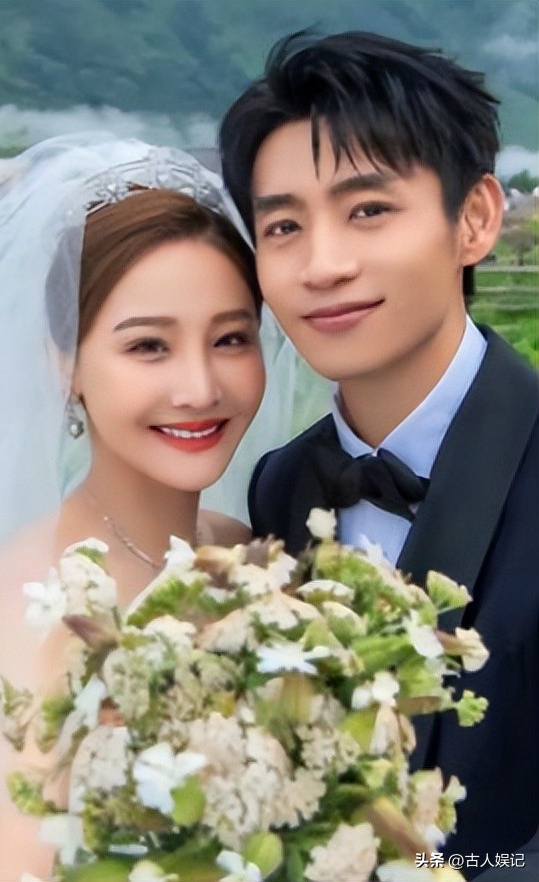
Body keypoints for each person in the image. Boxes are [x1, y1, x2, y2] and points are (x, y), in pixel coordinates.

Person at [219, 31, 538, 879]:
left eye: (368, 210)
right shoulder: (279, 486)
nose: (323, 265)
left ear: (474, 219)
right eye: (284, 226)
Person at [0, 133, 272, 881]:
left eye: (231, 338)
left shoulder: (250, 552)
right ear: (64, 365)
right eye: (149, 346)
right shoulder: (35, 597)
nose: (200, 387)